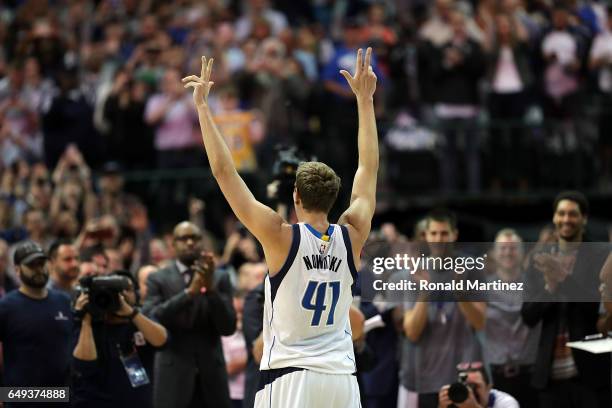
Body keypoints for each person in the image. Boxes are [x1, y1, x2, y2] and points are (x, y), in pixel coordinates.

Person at [182, 47, 379, 407]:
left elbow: (225, 173)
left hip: (290, 376)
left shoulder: (280, 235)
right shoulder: (352, 233)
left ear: (296, 197)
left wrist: (203, 108)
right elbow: (367, 168)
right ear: (334, 199)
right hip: (341, 380)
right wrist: (365, 101)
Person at [521, 191, 611, 408]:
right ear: (554, 218)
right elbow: (528, 316)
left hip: (591, 375)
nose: (566, 219)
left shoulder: (601, 254)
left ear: (584, 218)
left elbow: (597, 309)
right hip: (549, 377)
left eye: (573, 214)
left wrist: (563, 279)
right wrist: (551, 287)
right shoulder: (538, 258)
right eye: (561, 213)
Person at [142, 221, 236, 408]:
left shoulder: (220, 278)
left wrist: (210, 291)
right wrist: (188, 293)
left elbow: (228, 327)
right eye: (184, 238)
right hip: (173, 374)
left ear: (202, 242)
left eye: (195, 238)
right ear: (173, 244)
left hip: (212, 376)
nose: (190, 243)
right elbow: (152, 318)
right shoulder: (157, 278)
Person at [399, 209, 486, 408]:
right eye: (434, 233)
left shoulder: (471, 270)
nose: (439, 239)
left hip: (463, 376)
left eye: (445, 233)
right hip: (426, 379)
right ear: (426, 236)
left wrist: (461, 294)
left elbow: (480, 323)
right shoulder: (414, 273)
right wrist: (425, 292)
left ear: (455, 235)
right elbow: (411, 332)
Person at [72, 271, 167, 408]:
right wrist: (86, 320)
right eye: (115, 291)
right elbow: (84, 366)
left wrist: (132, 313)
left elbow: (163, 341)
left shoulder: (142, 320)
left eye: (127, 290)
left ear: (137, 294)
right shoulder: (88, 322)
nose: (122, 296)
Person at [0, 241, 73, 408]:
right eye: (31, 265)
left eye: (41, 263)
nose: (39, 269)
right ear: (17, 270)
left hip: (61, 397)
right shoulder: (6, 307)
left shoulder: (64, 301)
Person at [485, 229, 540, 408]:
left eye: (513, 248)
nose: (508, 252)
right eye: (503, 248)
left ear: (522, 252)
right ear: (494, 253)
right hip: (494, 376)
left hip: (531, 375)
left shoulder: (537, 287)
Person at [438, 362, 519, 408]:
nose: (470, 392)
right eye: (465, 386)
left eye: (475, 386)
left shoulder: (506, 402)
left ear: (489, 387)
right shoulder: (454, 401)